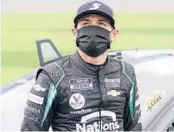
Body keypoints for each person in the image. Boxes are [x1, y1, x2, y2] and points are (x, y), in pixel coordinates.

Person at [21, 0, 142, 131]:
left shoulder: (126, 72)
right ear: (74, 32)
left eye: (101, 24)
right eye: (86, 23)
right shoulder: (52, 75)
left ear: (114, 34)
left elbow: (134, 127)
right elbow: (31, 128)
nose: (93, 29)